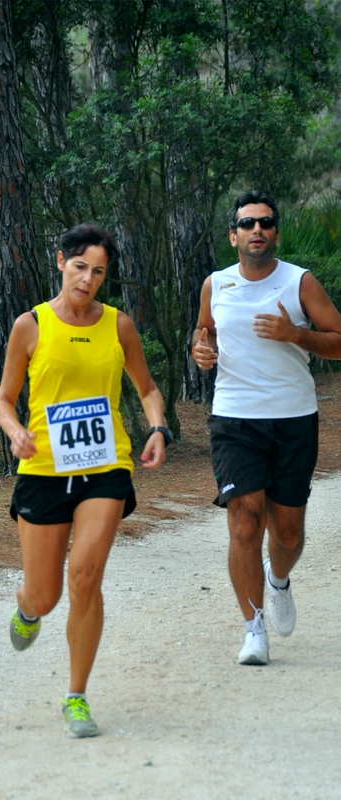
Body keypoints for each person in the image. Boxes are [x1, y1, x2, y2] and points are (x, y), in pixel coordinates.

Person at [0, 223, 170, 736]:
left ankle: (76, 696)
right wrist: (14, 430)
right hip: (45, 469)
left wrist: (157, 426)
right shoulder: (31, 326)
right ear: (60, 263)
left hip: (105, 466)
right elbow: (5, 399)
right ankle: (27, 608)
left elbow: (148, 388)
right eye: (79, 267)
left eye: (98, 272)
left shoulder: (119, 326)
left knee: (86, 578)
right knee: (45, 595)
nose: (88, 279)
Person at [191, 189, 341, 666]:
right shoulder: (215, 284)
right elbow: (204, 333)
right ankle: (253, 627)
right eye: (248, 223)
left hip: (293, 418)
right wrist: (201, 351)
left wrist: (295, 334)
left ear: (276, 232)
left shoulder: (300, 284)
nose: (258, 229)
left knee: (289, 534)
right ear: (233, 235)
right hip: (235, 417)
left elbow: (339, 341)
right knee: (245, 519)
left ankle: (279, 580)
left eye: (266, 222)